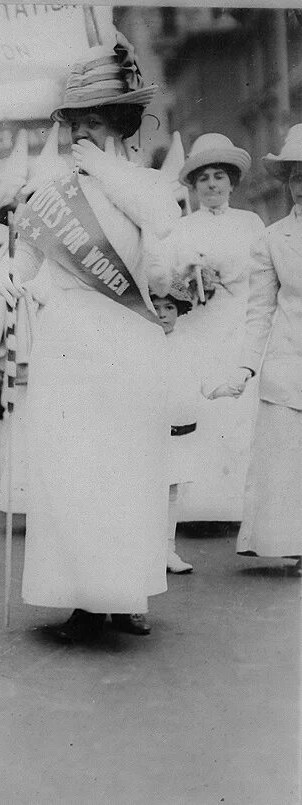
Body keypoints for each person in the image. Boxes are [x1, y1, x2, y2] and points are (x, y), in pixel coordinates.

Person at [0, 37, 193, 641]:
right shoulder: (49, 189)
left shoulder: (145, 185)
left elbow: (162, 245)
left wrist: (104, 168)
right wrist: (8, 282)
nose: (83, 133)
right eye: (77, 122)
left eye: (96, 121)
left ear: (122, 124)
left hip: (128, 338)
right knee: (72, 466)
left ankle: (125, 589)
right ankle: (79, 593)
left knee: (128, 467)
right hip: (68, 338)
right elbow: (23, 261)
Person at [209, 124, 302, 571]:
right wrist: (245, 368)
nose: (301, 184)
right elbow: (260, 311)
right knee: (286, 462)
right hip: (288, 363)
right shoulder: (272, 238)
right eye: (295, 175)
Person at [168, 133, 266, 522]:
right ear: (193, 184)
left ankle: (236, 505)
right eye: (204, 178)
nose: (211, 185)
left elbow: (263, 276)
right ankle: (198, 506)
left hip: (239, 322)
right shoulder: (182, 228)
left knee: (240, 410)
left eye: (219, 177)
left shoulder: (251, 222)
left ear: (231, 182)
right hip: (200, 324)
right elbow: (170, 284)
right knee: (203, 406)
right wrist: (190, 278)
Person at [154, 283, 204, 574]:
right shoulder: (141, 342)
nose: (162, 315)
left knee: (172, 489)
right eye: (157, 308)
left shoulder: (188, 345)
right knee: (147, 490)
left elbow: (201, 380)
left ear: (180, 310)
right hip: (147, 431)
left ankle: (167, 549)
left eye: (169, 308)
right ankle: (145, 549)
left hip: (177, 430)